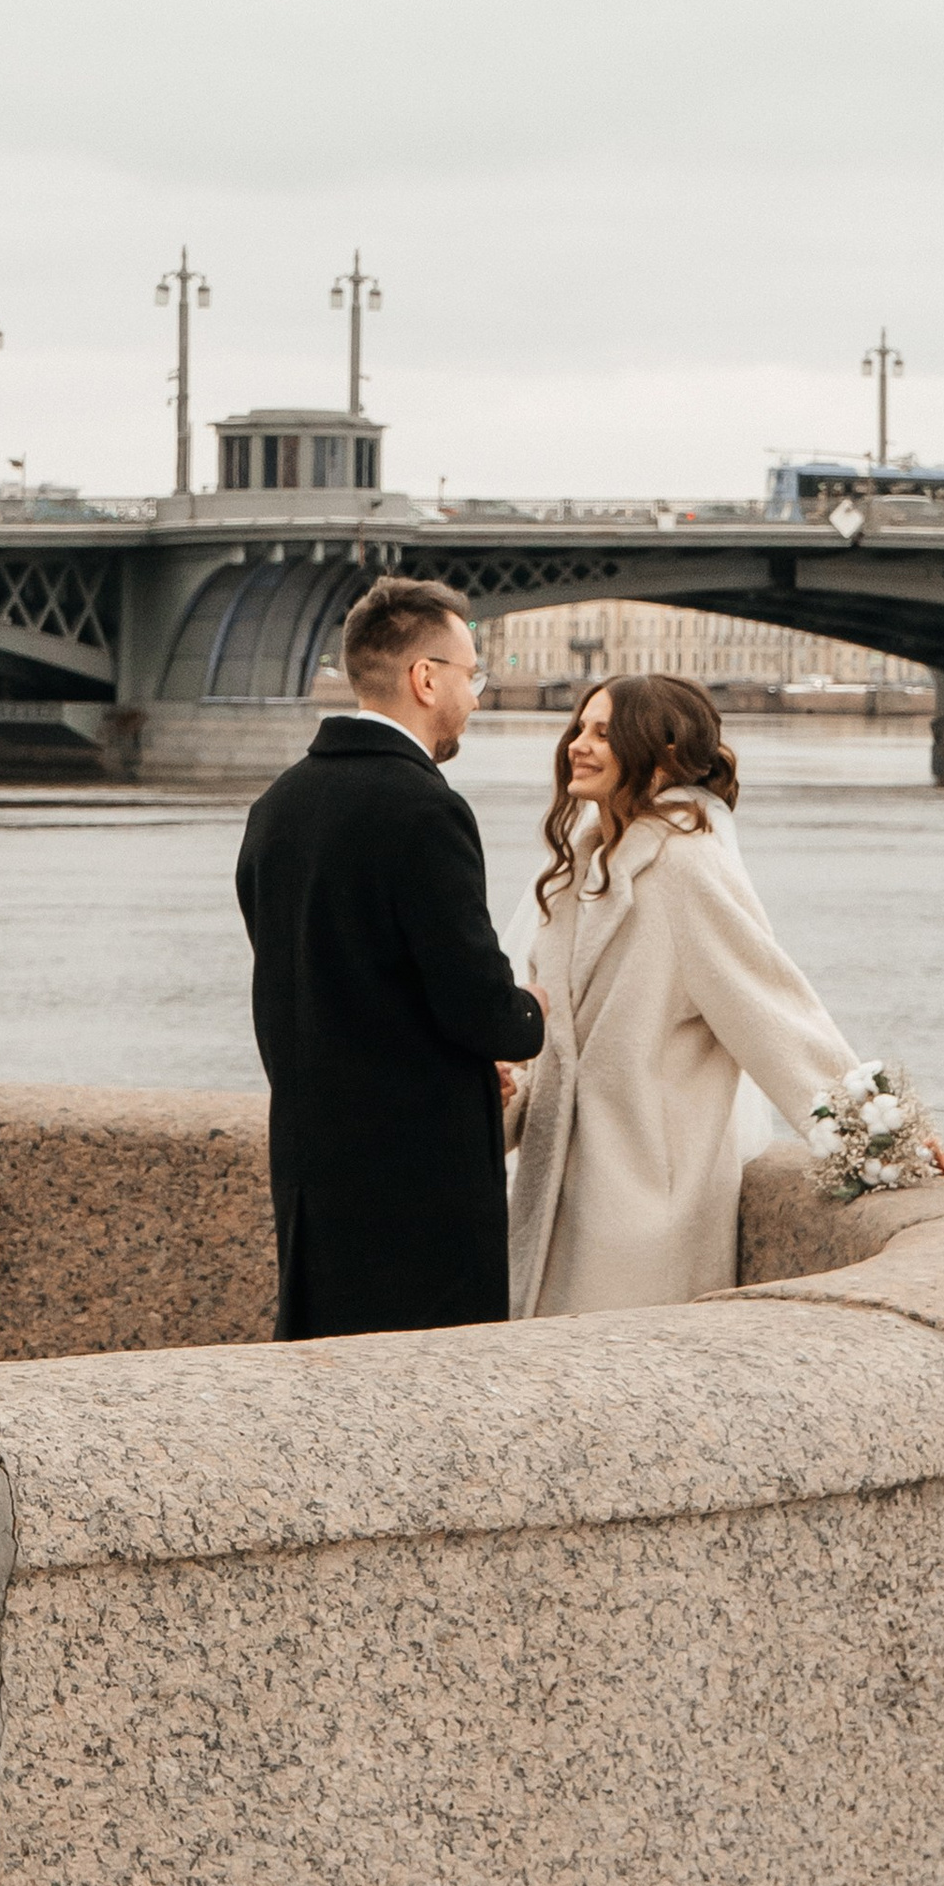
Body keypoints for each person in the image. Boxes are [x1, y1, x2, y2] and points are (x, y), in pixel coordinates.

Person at [505, 671, 917, 1318]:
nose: (576, 745)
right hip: (550, 1200)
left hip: (642, 1211)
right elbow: (551, 1048)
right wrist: (504, 1093)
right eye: (578, 728)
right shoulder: (569, 880)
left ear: (662, 753)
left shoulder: (684, 867)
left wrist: (881, 1137)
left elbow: (774, 1010)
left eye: (603, 732)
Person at [236, 574, 547, 1341]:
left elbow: (322, 987)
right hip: (419, 1195)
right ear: (426, 677)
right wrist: (531, 1011)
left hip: (311, 1178)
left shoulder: (278, 805)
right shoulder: (426, 808)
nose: (475, 696)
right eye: (471, 675)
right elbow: (476, 1000)